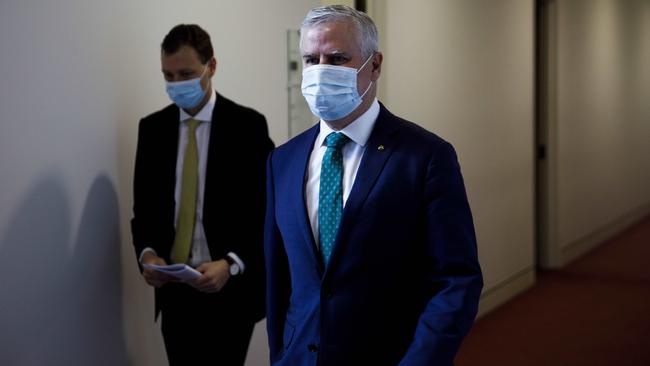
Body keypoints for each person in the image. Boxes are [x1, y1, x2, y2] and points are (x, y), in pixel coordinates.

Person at [264, 6, 483, 366]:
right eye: (310, 59)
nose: (321, 71)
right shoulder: (282, 162)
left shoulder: (425, 157)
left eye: (337, 58)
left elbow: (456, 280)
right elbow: (278, 279)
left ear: (375, 65)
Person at [131, 24, 274, 365]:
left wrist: (232, 263)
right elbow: (145, 211)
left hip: (229, 290)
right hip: (174, 292)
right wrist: (148, 255)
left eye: (186, 73)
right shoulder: (152, 130)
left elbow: (264, 211)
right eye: (168, 75)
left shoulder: (248, 127)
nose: (176, 84)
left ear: (212, 66)